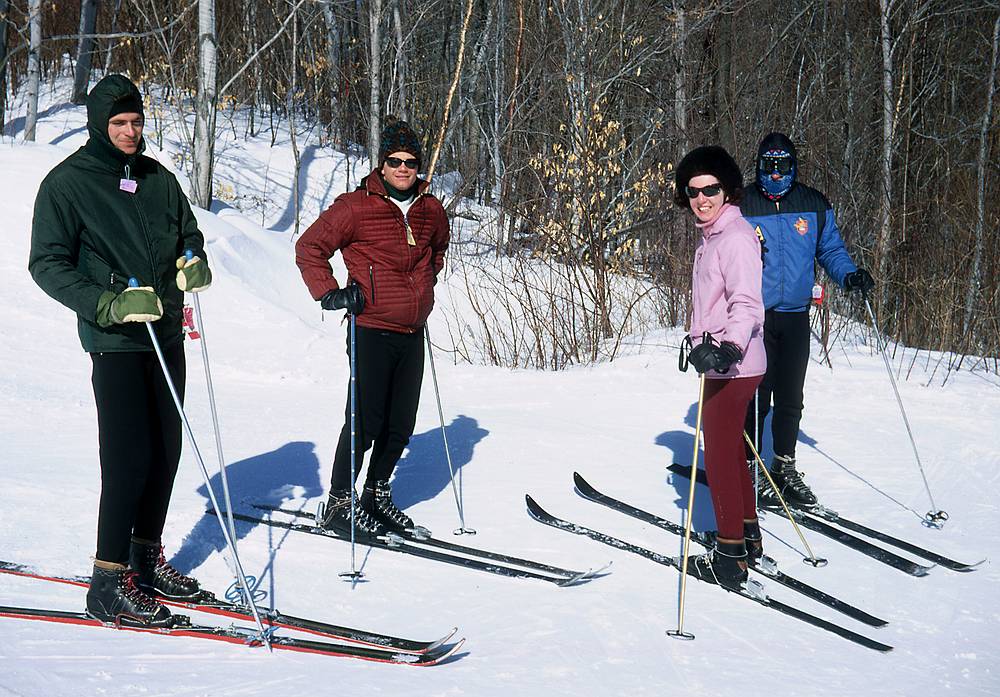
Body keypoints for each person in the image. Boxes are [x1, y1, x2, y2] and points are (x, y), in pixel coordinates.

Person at [29, 75, 211, 626]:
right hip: (116, 339)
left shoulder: (158, 179)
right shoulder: (67, 184)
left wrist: (191, 259)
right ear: (98, 125)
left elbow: (188, 232)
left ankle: (144, 561)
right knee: (128, 457)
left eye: (135, 121)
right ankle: (107, 583)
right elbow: (46, 264)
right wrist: (109, 304)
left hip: (167, 332)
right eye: (119, 123)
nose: (131, 132)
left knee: (166, 452)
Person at [295, 117, 449, 539]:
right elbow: (309, 247)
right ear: (381, 164)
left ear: (419, 167)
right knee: (365, 418)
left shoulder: (431, 209)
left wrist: (424, 286)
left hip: (412, 331)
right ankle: (339, 502)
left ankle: (376, 494)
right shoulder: (355, 206)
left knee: (400, 422)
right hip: (370, 327)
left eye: (410, 162)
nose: (403, 169)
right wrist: (331, 293)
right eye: (395, 161)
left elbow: (437, 251)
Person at [741, 132, 874, 507]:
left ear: (794, 167)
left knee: (790, 397)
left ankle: (783, 466)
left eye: (783, 166)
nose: (777, 175)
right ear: (759, 166)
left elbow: (830, 248)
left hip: (796, 316)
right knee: (756, 396)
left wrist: (849, 275)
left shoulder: (812, 204)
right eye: (770, 166)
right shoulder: (744, 204)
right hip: (756, 318)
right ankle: (750, 467)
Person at [675, 145, 767, 589]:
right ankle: (746, 534)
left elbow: (747, 303)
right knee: (730, 451)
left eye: (710, 188)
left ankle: (729, 557)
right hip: (723, 361)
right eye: (693, 191)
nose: (702, 197)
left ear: (727, 189)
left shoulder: (735, 237)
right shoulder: (712, 236)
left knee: (721, 457)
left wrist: (728, 347)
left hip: (737, 363)